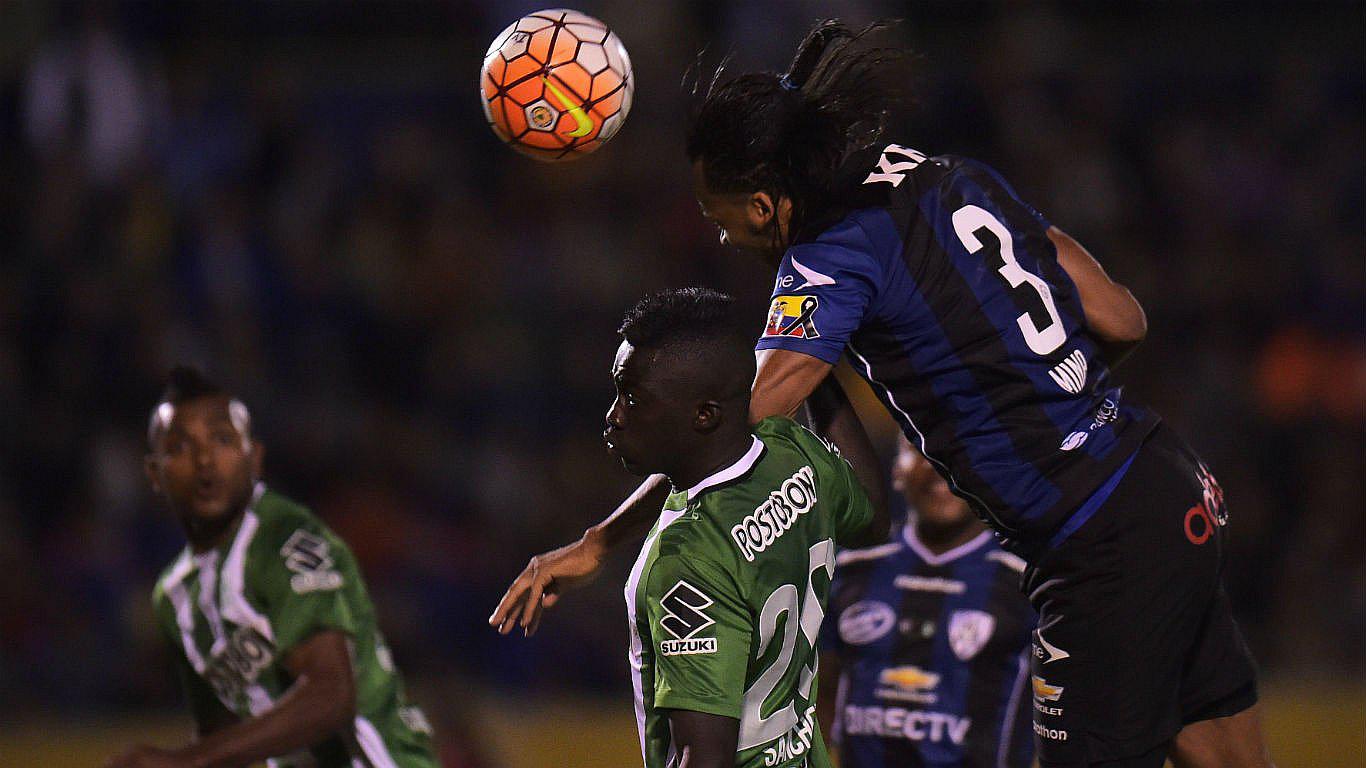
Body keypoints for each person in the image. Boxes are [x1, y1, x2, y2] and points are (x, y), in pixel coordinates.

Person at [492, 19, 1272, 768]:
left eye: (717, 216)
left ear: (764, 205)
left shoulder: (827, 260)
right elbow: (1121, 317)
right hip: (1170, 486)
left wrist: (601, 539)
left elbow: (732, 432)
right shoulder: (945, 174)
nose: (722, 236)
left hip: (1100, 546)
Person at [557, 287, 885, 767]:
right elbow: (874, 516)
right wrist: (819, 365)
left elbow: (704, 757)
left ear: (704, 415)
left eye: (633, 398)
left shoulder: (687, 556)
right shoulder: (794, 455)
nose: (614, 417)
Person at [108, 367, 438, 768]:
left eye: (223, 439)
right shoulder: (173, 597)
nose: (205, 461)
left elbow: (331, 695)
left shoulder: (284, 538)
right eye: (179, 447)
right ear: (154, 474)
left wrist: (186, 761)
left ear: (255, 457)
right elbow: (220, 740)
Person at [817, 437, 1035, 768]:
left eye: (959, 453)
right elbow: (821, 695)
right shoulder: (849, 568)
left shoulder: (1028, 584)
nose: (939, 469)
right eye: (921, 451)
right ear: (896, 471)